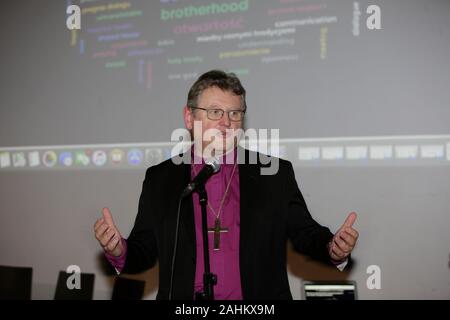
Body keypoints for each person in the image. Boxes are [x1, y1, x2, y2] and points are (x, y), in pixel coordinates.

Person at [93, 70, 359, 300]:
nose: (226, 122)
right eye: (215, 112)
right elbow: (145, 249)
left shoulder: (274, 174)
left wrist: (332, 249)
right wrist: (119, 250)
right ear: (189, 118)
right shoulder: (161, 178)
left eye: (235, 113)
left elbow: (305, 234)